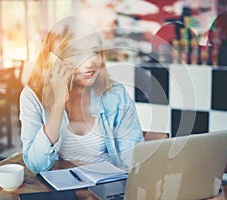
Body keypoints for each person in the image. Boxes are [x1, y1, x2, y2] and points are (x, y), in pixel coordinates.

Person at [19, 17, 144, 174]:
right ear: (54, 59)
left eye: (95, 52)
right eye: (77, 53)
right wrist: (58, 105)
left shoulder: (116, 94)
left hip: (106, 184)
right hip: (58, 189)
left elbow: (132, 161)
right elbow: (36, 165)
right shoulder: (32, 97)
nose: (90, 62)